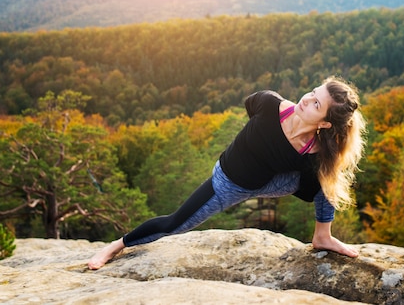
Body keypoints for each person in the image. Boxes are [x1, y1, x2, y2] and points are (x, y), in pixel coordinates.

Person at [88, 76, 366, 270]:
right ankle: (116, 245)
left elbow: (313, 178)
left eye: (317, 105)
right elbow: (251, 106)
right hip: (228, 182)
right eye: (313, 92)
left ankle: (322, 236)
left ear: (326, 124)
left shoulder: (314, 150)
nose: (307, 100)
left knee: (328, 181)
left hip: (269, 184)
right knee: (174, 224)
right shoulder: (269, 105)